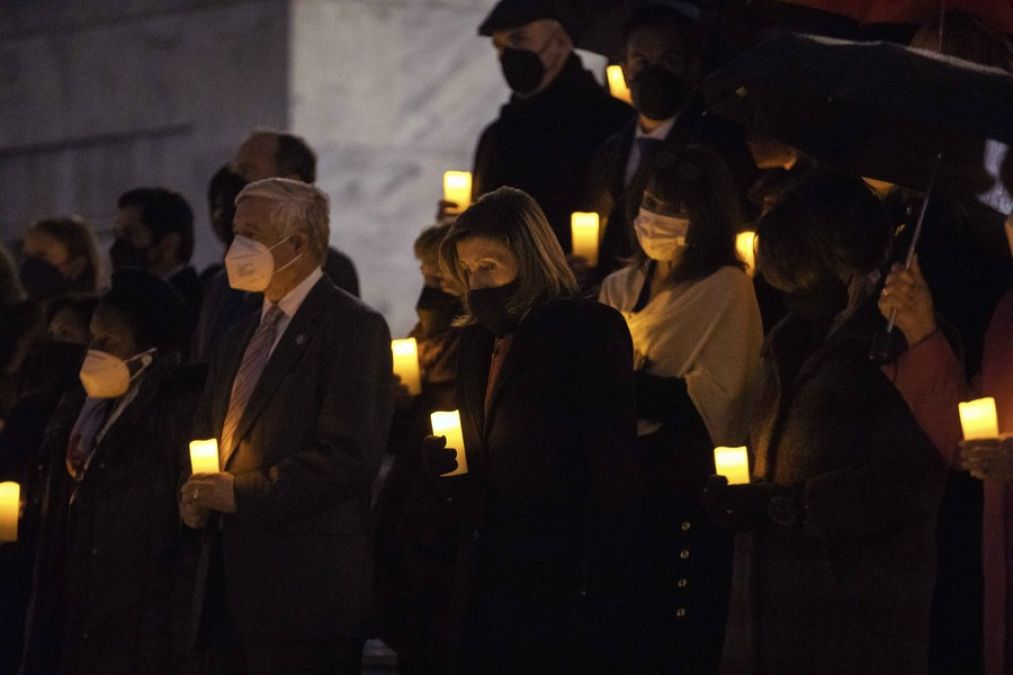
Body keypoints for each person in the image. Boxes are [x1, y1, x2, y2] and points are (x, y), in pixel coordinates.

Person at [705, 172, 949, 673]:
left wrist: (785, 506)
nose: (788, 294)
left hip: (853, 615)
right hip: (772, 605)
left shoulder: (903, 344)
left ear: (844, 261)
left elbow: (907, 483)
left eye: (799, 276)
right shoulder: (792, 337)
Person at [178, 178, 393, 674]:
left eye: (252, 235)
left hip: (305, 594)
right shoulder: (237, 336)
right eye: (237, 234)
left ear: (297, 244)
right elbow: (207, 431)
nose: (237, 248)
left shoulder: (352, 328)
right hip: (227, 590)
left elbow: (348, 456)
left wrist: (240, 494)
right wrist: (192, 494)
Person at [424, 186, 641, 674]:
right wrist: (447, 468)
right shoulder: (479, 343)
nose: (478, 280)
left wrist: (598, 583)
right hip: (488, 572)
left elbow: (612, 465)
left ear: (529, 257)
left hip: (556, 572)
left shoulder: (588, 330)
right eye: (469, 269)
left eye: (491, 265)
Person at [598, 148, 762, 673]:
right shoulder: (620, 286)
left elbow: (727, 391)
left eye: (673, 209)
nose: (655, 218)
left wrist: (643, 389)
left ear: (704, 218)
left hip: (678, 483)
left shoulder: (726, 290)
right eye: (650, 202)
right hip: (619, 477)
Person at [20, 269, 203, 674]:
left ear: (148, 348)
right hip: (80, 606)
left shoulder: (176, 412)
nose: (93, 354)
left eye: (107, 342)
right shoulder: (79, 410)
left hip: (137, 615)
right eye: (91, 341)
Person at [582, 4, 755, 282]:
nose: (653, 73)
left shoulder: (718, 146)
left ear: (691, 68)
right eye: (641, 62)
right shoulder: (609, 151)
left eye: (668, 62)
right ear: (626, 70)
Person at [455, 0, 633, 251]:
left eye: (518, 40)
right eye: (499, 45)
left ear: (560, 41)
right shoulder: (498, 135)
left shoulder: (613, 123)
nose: (506, 55)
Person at [372, 223, 464, 674]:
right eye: (424, 270)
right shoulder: (428, 322)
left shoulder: (470, 331)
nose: (429, 279)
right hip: (414, 475)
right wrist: (399, 401)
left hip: (444, 486)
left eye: (437, 270)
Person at [231, 129, 359, 296]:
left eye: (247, 171)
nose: (233, 183)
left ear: (290, 184)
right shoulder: (225, 280)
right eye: (235, 173)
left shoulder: (330, 272)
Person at [112, 188, 203, 341]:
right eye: (118, 234)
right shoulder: (134, 295)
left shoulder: (191, 303)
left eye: (130, 234)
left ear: (169, 242)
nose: (120, 244)